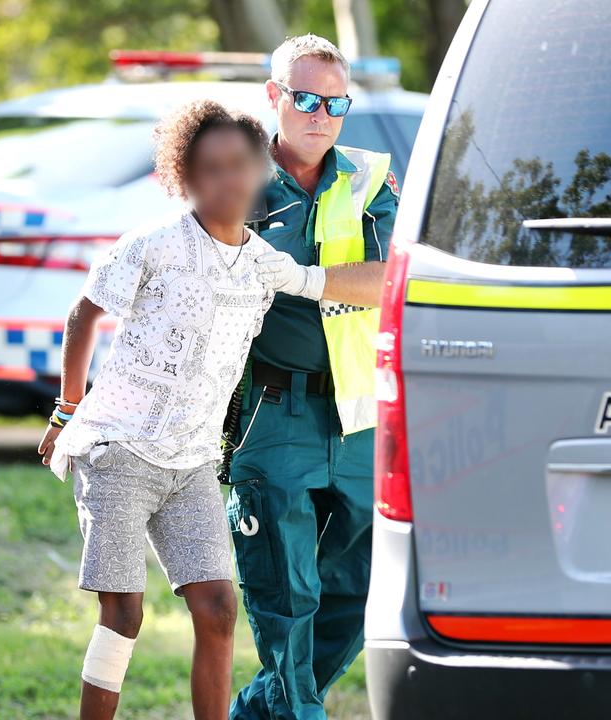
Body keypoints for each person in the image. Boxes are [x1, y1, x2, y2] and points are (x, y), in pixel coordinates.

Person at [36, 100, 276, 720]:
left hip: (192, 461)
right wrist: (67, 410)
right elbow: (84, 312)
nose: (227, 179)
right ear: (185, 178)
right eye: (210, 168)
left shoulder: (263, 266)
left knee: (220, 608)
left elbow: (324, 284)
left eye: (239, 165)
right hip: (118, 448)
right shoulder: (154, 245)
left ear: (260, 169)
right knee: (124, 615)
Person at [229, 34, 400, 720]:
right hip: (273, 414)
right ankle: (298, 713)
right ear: (274, 98)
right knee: (286, 595)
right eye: (304, 98)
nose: (320, 113)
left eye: (335, 102)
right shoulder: (234, 179)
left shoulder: (367, 179)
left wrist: (298, 279)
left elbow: (387, 280)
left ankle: (258, 712)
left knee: (361, 593)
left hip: (357, 419)